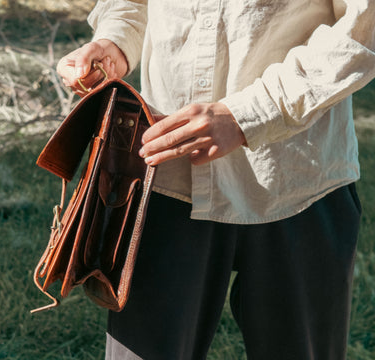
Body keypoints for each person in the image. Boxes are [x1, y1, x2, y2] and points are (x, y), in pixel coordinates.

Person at [56, 1, 375, 359]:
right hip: (165, 179)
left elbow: (363, 28)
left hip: (299, 179)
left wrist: (247, 116)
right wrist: (115, 40)